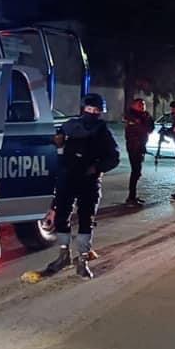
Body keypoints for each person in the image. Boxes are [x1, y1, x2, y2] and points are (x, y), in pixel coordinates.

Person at [43, 93, 120, 279]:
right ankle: (64, 256)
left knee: (86, 220)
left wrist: (96, 168)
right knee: (62, 217)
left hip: (89, 181)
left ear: (100, 112)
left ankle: (83, 260)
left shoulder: (103, 132)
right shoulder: (70, 126)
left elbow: (114, 157)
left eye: (95, 110)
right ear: (83, 108)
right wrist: (57, 141)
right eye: (89, 109)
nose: (91, 113)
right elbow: (56, 142)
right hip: (67, 178)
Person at [123, 98, 154, 207]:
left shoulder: (145, 115)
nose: (142, 106)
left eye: (143, 104)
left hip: (141, 146)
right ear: (134, 105)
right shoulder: (131, 116)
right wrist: (142, 125)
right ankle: (131, 198)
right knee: (135, 171)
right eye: (140, 104)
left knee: (137, 171)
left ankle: (133, 196)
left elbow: (150, 128)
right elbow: (141, 129)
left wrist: (144, 124)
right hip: (134, 147)